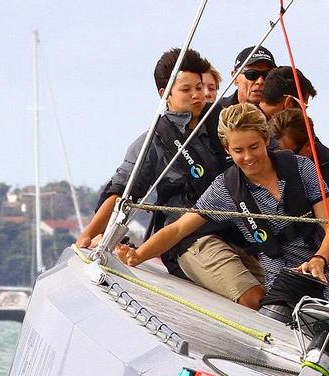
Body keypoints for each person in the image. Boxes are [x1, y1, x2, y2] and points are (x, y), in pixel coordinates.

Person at [118, 104, 329, 306]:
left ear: (267, 140)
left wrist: (319, 259)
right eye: (238, 150)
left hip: (327, 276)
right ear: (228, 150)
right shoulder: (225, 188)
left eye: (254, 146)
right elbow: (178, 229)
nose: (248, 157)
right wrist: (137, 256)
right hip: (282, 287)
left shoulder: (301, 168)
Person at [75, 48, 234, 279]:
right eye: (186, 89)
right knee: (251, 297)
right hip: (187, 239)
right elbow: (121, 192)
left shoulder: (221, 123)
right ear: (165, 94)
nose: (196, 95)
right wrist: (87, 235)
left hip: (234, 231)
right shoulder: (153, 141)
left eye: (199, 88)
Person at [269, 108, 329, 270]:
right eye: (272, 153)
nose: (278, 160)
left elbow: (323, 234)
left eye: (286, 154)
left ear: (308, 146)